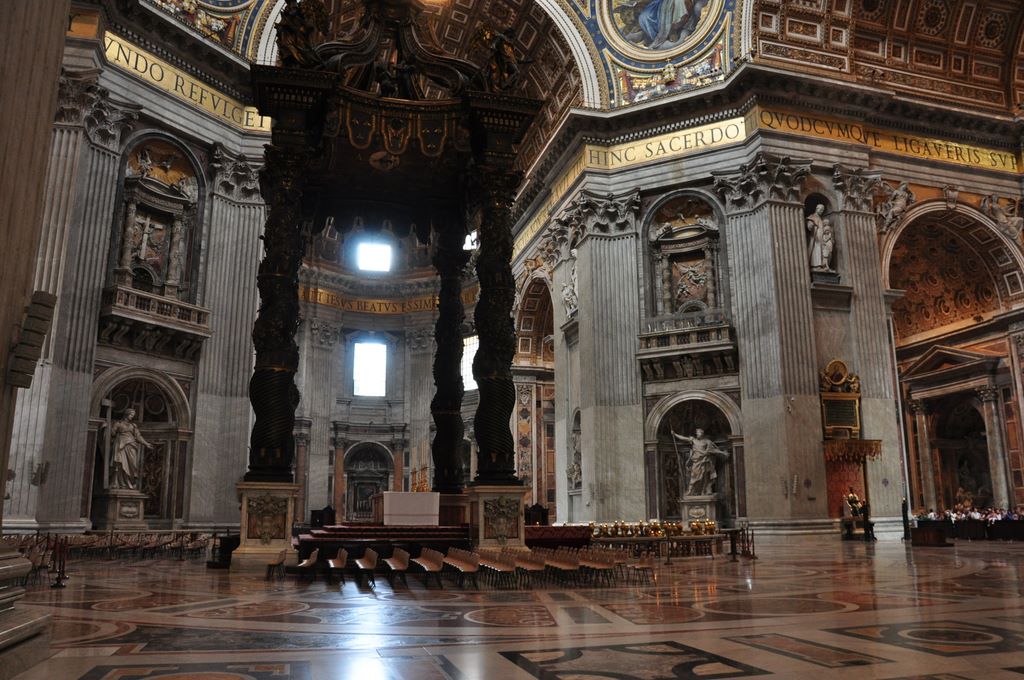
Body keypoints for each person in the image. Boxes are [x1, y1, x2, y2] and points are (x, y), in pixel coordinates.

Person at [670, 428, 730, 496]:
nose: (697, 434)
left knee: (705, 478)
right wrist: (675, 434)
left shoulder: (707, 441)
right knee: (693, 476)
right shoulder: (693, 440)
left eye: (698, 433)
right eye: (696, 433)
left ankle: (704, 491)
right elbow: (684, 438)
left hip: (704, 461)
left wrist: (723, 453)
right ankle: (690, 490)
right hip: (696, 462)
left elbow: (713, 450)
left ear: (702, 433)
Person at [110, 408, 152, 490]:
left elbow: (138, 436)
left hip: (131, 446)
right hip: (120, 446)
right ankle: (121, 483)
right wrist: (109, 426)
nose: (132, 417)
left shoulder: (133, 426)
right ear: (126, 414)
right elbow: (112, 434)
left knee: (133, 465)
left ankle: (130, 481)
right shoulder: (118, 424)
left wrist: (146, 444)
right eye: (131, 415)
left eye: (133, 415)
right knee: (120, 465)